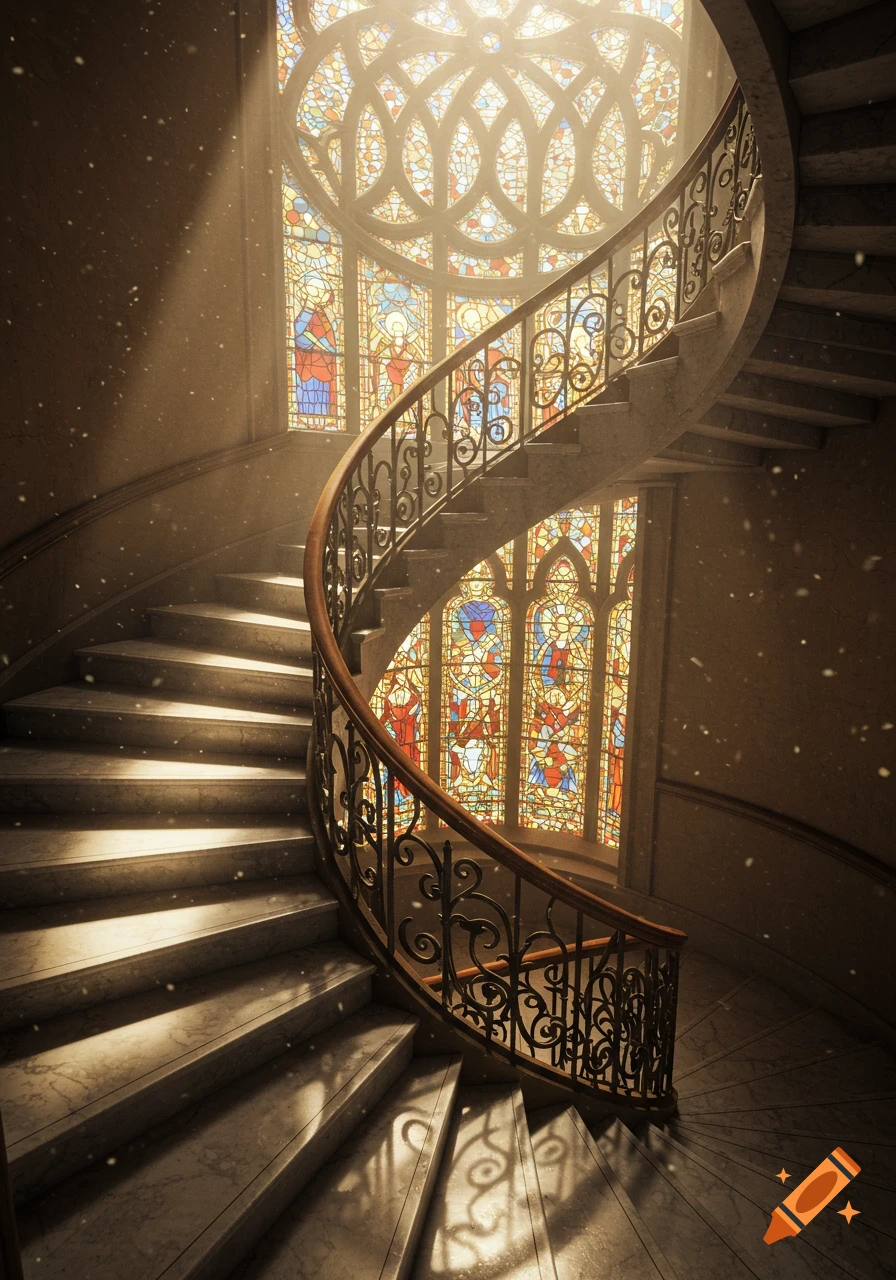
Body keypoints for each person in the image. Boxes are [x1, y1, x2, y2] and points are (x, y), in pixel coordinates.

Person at [293, 273, 338, 417]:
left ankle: (323, 418)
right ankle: (309, 418)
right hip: (309, 365)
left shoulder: (322, 315)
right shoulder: (306, 312)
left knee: (322, 398)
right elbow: (298, 333)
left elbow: (330, 338)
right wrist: (315, 343)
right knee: (309, 397)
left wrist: (327, 346)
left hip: (324, 364)